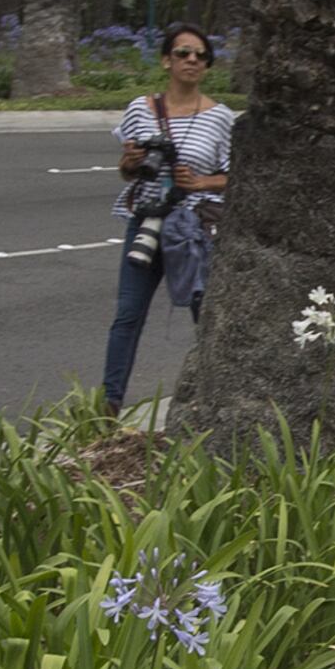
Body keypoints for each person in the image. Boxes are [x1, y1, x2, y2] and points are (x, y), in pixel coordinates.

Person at [100, 24, 232, 411]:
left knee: (202, 312)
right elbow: (128, 173)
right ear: (166, 61)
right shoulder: (141, 109)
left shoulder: (221, 117)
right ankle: (109, 405)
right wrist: (129, 162)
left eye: (200, 55)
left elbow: (235, 176)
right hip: (146, 220)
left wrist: (200, 180)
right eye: (183, 53)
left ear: (207, 66)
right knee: (128, 314)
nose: (192, 60)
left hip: (192, 228)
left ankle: (213, 400)